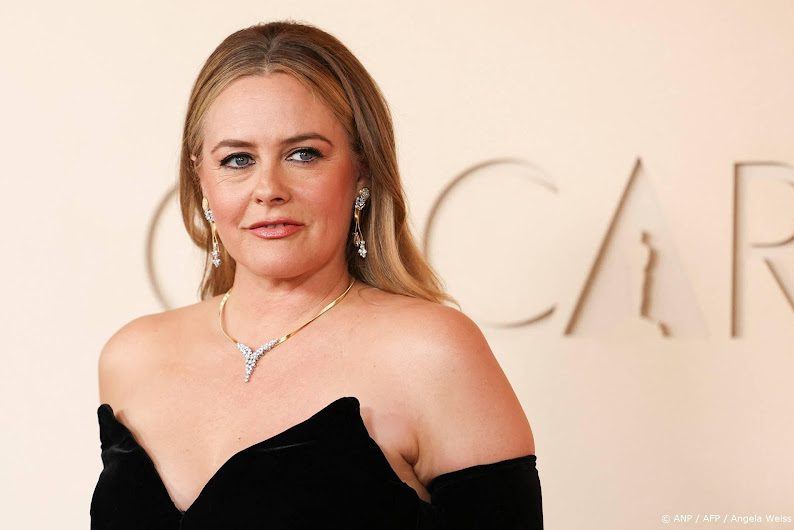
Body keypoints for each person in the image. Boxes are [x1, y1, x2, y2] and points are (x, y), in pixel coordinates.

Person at [90, 20, 543, 529]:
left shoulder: (431, 353)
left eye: (303, 154)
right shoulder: (131, 358)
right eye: (237, 159)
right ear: (200, 179)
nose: (268, 188)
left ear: (362, 170)